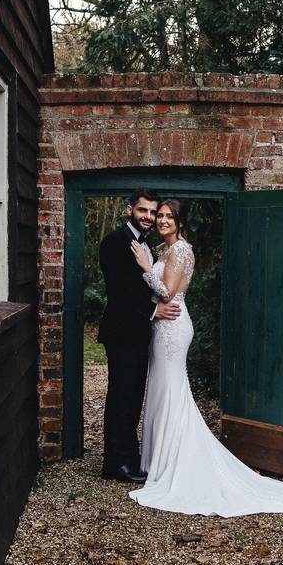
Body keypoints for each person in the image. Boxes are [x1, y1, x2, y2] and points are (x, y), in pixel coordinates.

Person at [127, 197, 283, 516]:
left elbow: (168, 292)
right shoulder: (164, 249)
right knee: (163, 390)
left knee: (170, 391)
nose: (162, 220)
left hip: (172, 327)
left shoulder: (181, 249)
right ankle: (159, 461)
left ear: (181, 222)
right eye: (160, 216)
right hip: (163, 325)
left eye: (169, 217)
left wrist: (144, 268)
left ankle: (174, 463)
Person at [97, 189, 181, 483]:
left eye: (152, 212)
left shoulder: (147, 246)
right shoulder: (114, 242)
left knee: (133, 397)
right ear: (129, 209)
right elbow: (119, 292)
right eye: (142, 210)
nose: (148, 217)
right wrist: (153, 312)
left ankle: (129, 459)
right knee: (121, 396)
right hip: (121, 333)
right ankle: (115, 463)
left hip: (139, 333)